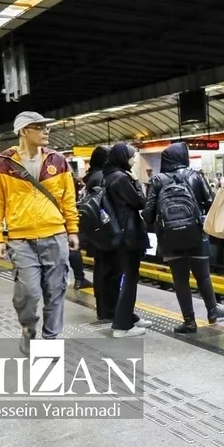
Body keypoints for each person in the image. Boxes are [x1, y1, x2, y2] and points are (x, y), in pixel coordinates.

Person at [0, 112, 80, 354]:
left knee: (55, 290)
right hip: (21, 239)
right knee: (28, 292)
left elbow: (68, 199)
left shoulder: (57, 160)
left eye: (46, 127)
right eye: (39, 127)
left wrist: (72, 229)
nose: (46, 131)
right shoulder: (2, 162)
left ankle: (51, 339)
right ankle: (28, 327)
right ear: (23, 131)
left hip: (55, 235)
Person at [144, 142, 224, 333]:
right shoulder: (195, 176)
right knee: (203, 276)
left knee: (180, 280)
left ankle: (189, 322)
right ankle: (212, 310)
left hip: (169, 238)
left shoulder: (157, 180)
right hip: (196, 234)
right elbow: (211, 203)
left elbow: (148, 213)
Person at [102, 143, 149, 338]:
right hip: (127, 235)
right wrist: (137, 181)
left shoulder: (108, 175)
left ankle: (128, 317)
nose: (134, 160)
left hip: (116, 233)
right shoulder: (121, 178)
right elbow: (140, 202)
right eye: (131, 156)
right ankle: (122, 327)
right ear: (123, 157)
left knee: (125, 278)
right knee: (130, 279)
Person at [84, 146, 120, 322]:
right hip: (106, 231)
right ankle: (108, 310)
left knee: (102, 270)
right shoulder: (101, 177)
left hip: (97, 231)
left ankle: (104, 309)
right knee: (109, 272)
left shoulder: (93, 176)